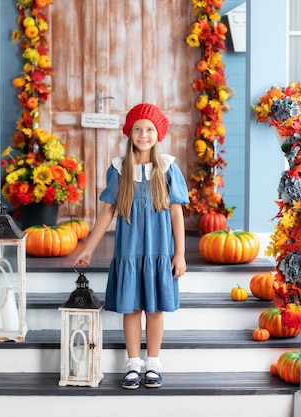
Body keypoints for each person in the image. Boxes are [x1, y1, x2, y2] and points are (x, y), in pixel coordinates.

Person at [73, 103, 189, 389]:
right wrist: (88, 248)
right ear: (129, 132)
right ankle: (133, 363)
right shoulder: (120, 168)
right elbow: (107, 212)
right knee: (132, 309)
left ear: (158, 134)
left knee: (155, 309)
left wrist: (181, 254)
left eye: (149, 129)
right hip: (129, 252)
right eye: (138, 129)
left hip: (159, 253)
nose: (143, 134)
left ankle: (153, 363)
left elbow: (176, 213)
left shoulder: (168, 169)